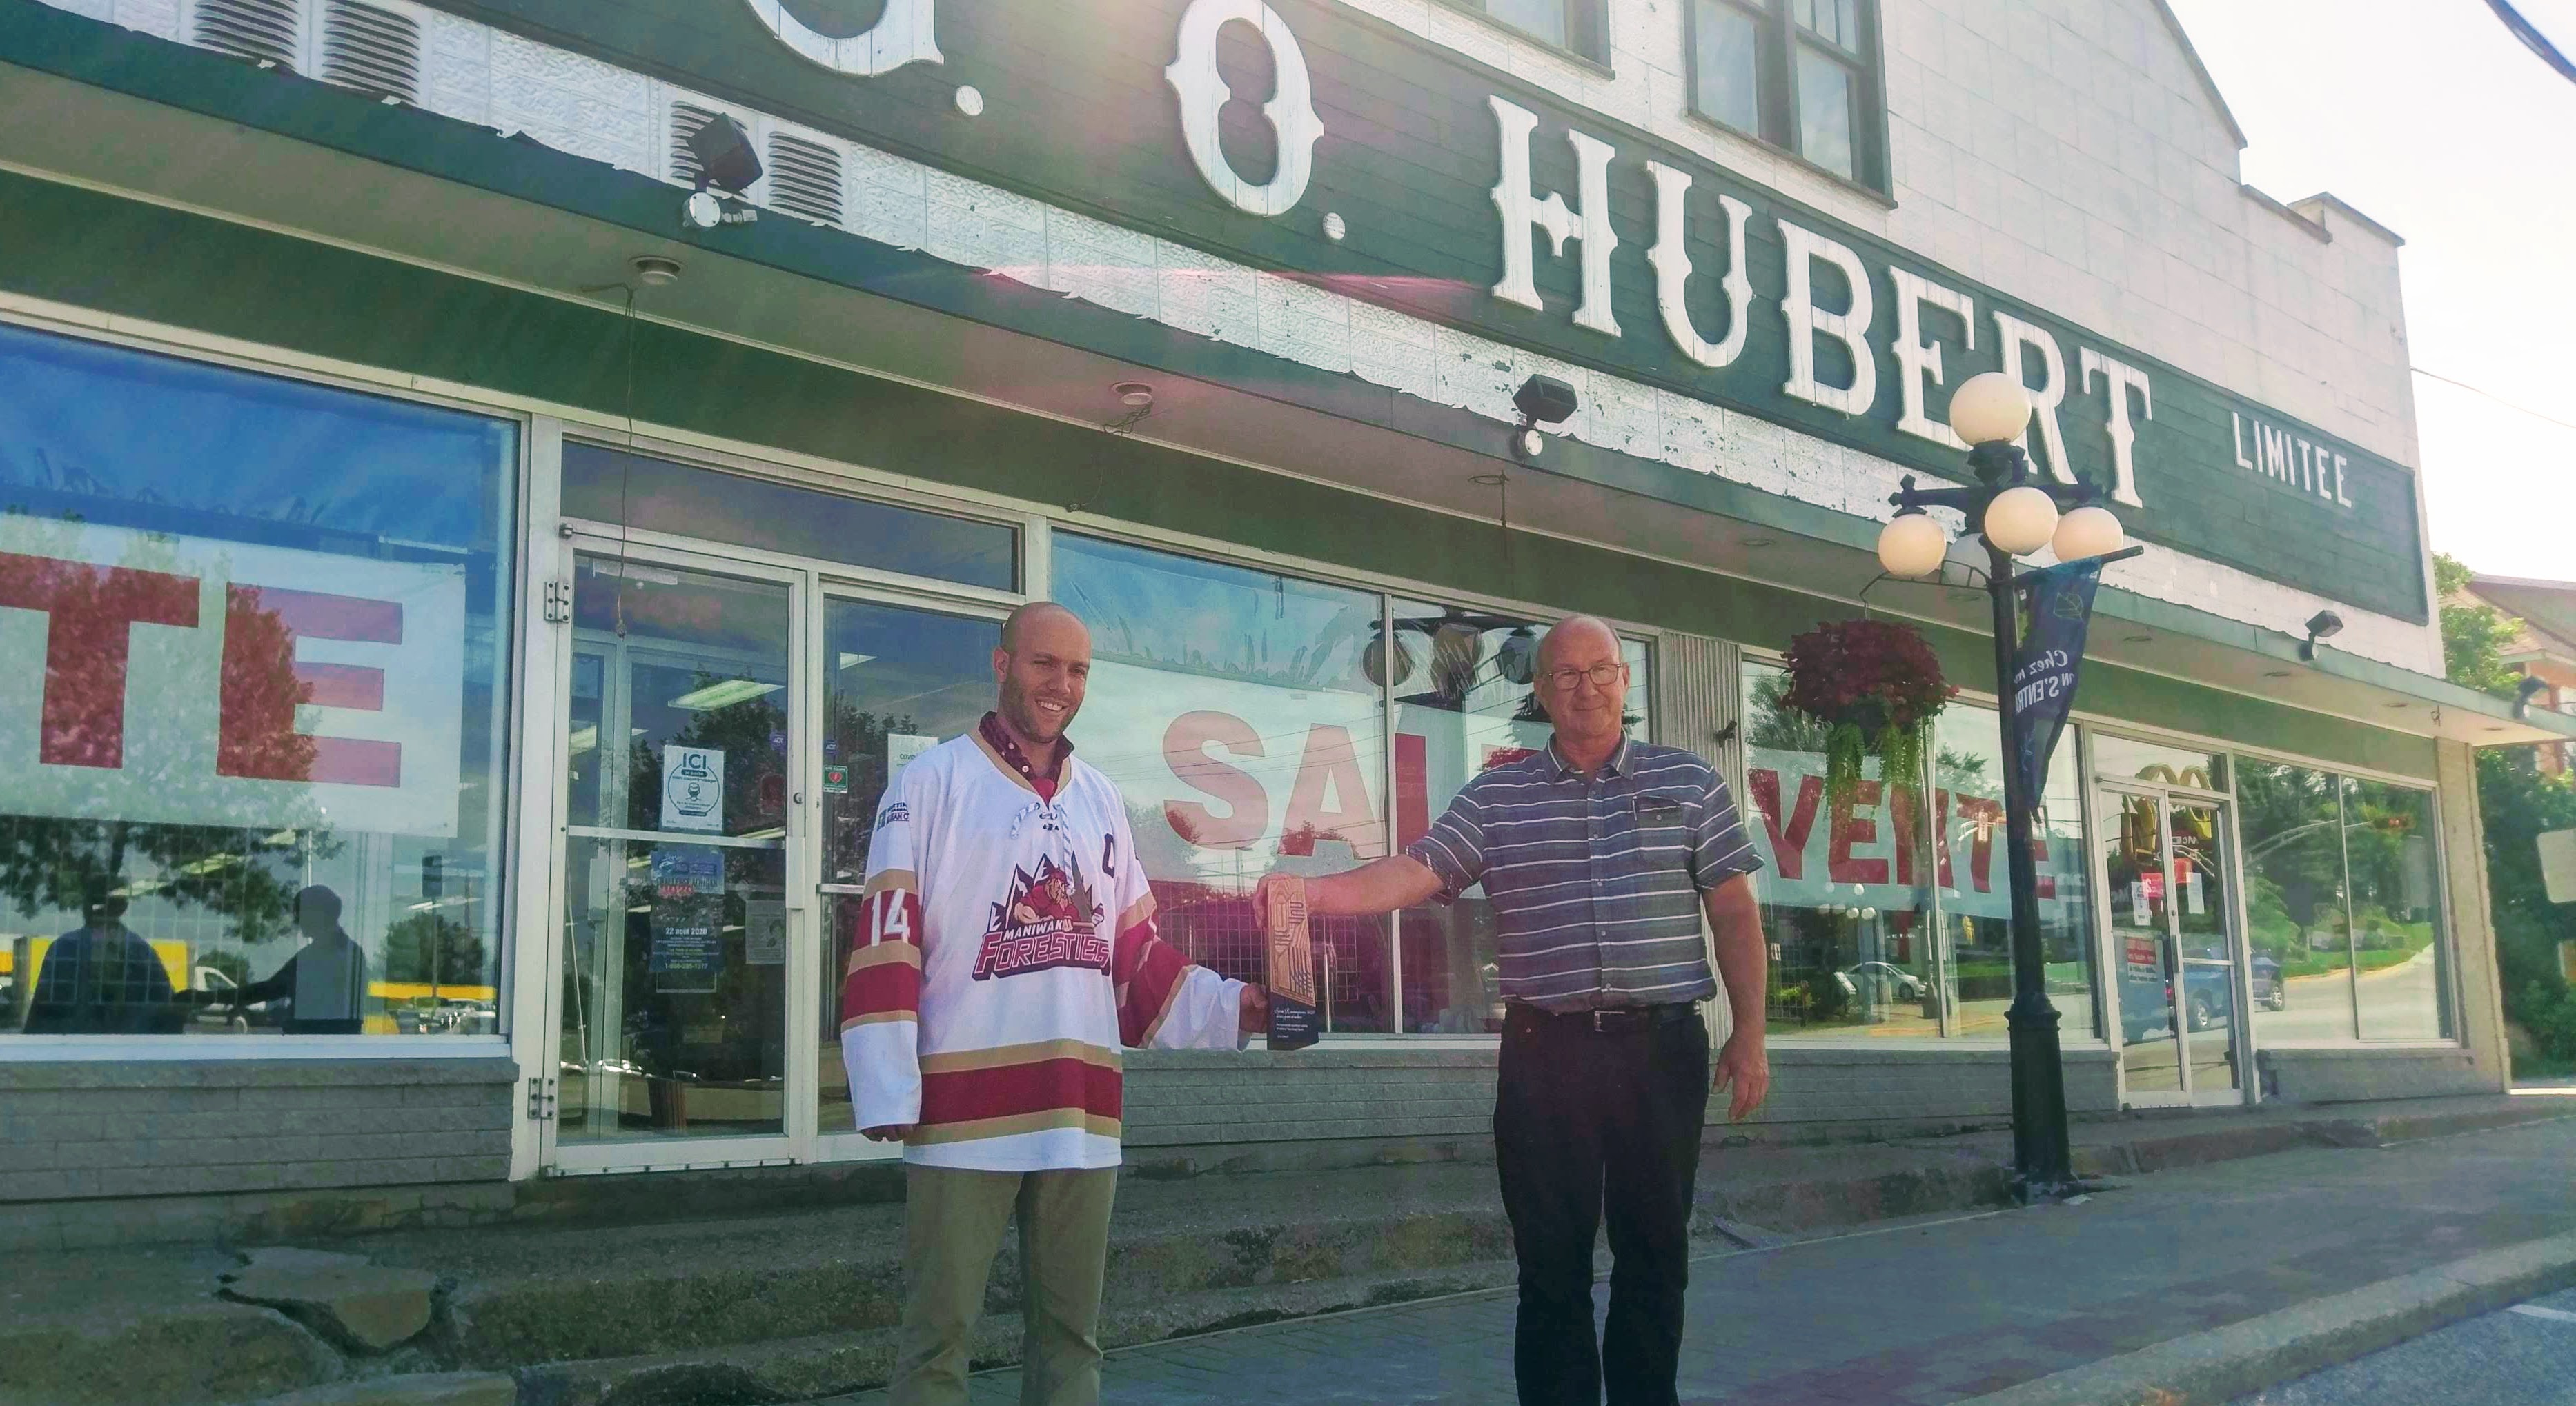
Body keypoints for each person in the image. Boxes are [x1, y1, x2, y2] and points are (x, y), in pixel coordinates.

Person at [1253, 615, 1770, 1406]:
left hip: (1659, 1051)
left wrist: (1751, 1035)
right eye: (1565, 674)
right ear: (1540, 690)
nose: (1584, 687)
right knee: (1550, 1265)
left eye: (1600, 670)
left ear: (1624, 681)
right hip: (1546, 1057)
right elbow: (1419, 870)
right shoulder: (1498, 794)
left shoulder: (1690, 781)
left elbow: (1735, 913)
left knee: (1655, 1257)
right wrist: (1311, 893)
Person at [842, 601, 1271, 1405]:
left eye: (1077, 670)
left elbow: (1134, 958)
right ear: (1002, 665)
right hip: (963, 1113)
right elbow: (886, 942)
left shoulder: (1101, 799)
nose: (1061, 685)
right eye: (1044, 663)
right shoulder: (929, 783)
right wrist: (886, 1082)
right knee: (937, 1340)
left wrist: (1238, 1007)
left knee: (1073, 1341)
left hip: (1079, 1114)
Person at [23, 882, 182, 1035]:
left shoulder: (64, 949)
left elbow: (38, 1022)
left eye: (101, 901)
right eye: (94, 900)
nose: (95, 907)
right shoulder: (64, 949)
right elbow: (168, 1019)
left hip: (85, 1052)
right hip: (109, 1052)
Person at [234, 886, 368, 1035]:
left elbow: (270, 990)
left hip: (318, 1049)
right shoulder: (336, 953)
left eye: (299, 912)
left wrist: (213, 997)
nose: (296, 920)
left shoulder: (335, 956)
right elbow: (270, 989)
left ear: (318, 914)